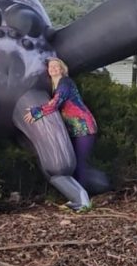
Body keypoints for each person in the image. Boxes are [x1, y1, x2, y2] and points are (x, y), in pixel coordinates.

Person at [23, 57, 100, 208]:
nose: (53, 69)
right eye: (51, 67)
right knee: (76, 162)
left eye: (56, 66)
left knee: (80, 164)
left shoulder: (65, 83)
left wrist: (36, 111)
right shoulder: (55, 85)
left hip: (84, 127)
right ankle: (79, 198)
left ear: (62, 69)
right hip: (75, 129)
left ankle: (83, 201)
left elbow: (56, 103)